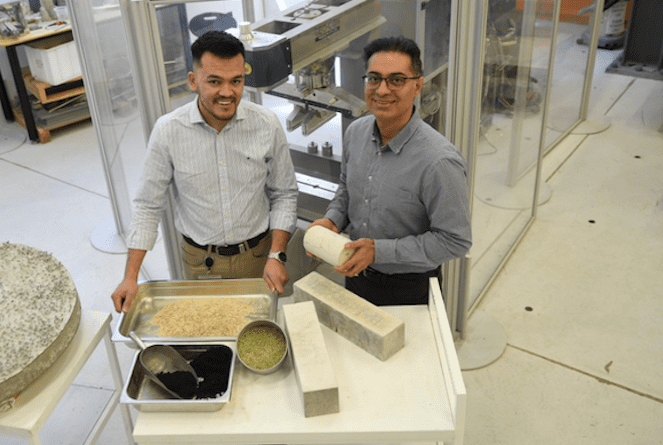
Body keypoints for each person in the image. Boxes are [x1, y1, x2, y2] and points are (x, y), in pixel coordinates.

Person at [111, 31, 298, 313]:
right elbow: (148, 205)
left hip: (258, 256)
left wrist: (277, 255)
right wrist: (130, 277)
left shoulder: (266, 124)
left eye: (236, 81)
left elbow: (284, 193)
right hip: (201, 262)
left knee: (258, 332)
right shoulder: (168, 131)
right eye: (214, 81)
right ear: (192, 81)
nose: (227, 92)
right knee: (210, 339)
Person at [307, 36, 472, 306]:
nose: (382, 90)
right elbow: (347, 187)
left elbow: (455, 241)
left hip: (407, 287)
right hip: (354, 271)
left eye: (396, 80)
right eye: (374, 79)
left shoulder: (439, 161)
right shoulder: (356, 133)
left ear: (418, 85)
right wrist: (332, 221)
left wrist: (379, 251)